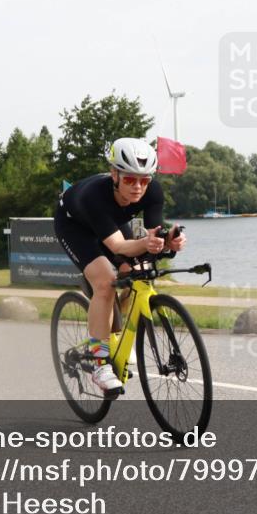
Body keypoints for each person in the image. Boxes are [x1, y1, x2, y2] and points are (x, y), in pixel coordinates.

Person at [54, 138, 186, 398]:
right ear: (114, 174)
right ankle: (99, 362)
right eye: (129, 180)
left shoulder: (153, 192)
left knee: (134, 272)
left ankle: (117, 331)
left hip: (110, 222)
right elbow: (118, 246)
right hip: (75, 226)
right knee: (105, 281)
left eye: (144, 180)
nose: (138, 187)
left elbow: (153, 235)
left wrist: (170, 240)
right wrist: (147, 244)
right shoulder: (95, 195)